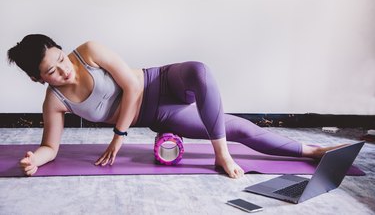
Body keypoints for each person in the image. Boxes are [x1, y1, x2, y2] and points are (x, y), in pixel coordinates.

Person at [7, 34, 341, 178]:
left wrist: (118, 137)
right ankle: (313, 151)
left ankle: (221, 155)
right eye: (52, 71)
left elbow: (133, 86)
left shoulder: (89, 52)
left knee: (199, 71)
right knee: (234, 127)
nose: (64, 69)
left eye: (61, 58)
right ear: (39, 79)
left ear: (64, 50)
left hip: (160, 81)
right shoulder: (55, 101)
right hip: (160, 115)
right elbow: (50, 147)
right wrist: (32, 160)